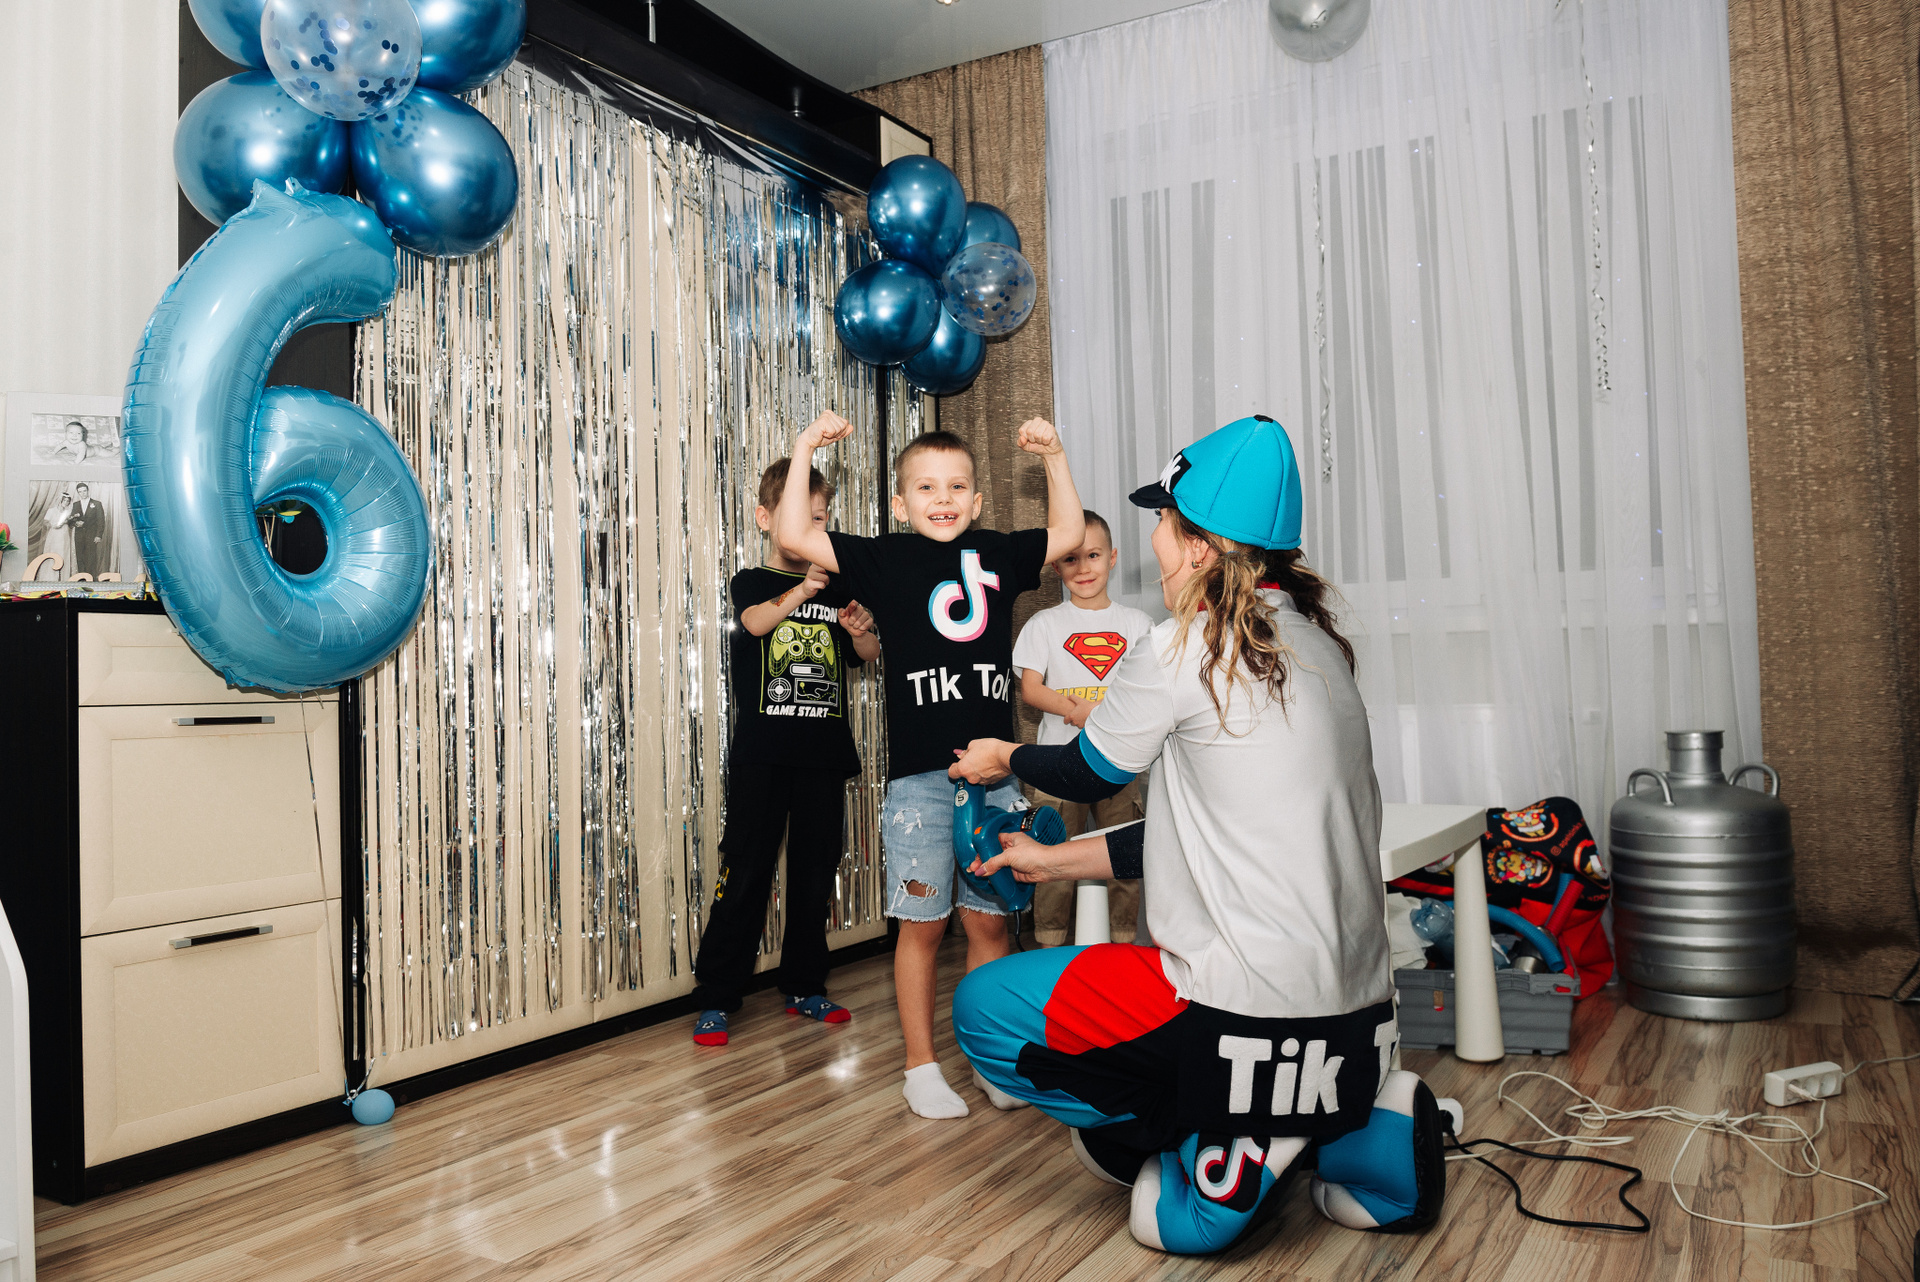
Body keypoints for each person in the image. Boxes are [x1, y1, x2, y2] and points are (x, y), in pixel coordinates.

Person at [946, 416, 1444, 1256]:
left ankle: (1236, 1136)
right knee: (1120, 1121)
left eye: (1164, 521)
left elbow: (1087, 773)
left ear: (1201, 546)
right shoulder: (1323, 650)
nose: (1154, 539)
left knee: (984, 1010)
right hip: (1357, 1024)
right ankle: (1355, 1126)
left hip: (1243, 1022)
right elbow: (1201, 832)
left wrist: (1005, 754)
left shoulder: (1182, 647)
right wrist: (1050, 860)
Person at [775, 411, 1084, 1120]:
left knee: (990, 926)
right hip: (921, 783)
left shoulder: (998, 552)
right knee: (922, 926)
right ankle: (920, 1066)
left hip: (997, 779)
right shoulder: (884, 558)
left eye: (956, 487)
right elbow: (794, 535)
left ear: (976, 501)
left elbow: (1067, 534)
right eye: (925, 487)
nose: (942, 499)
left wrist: (1055, 457)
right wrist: (804, 447)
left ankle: (991, 1062)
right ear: (899, 503)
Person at [689, 459, 880, 1047]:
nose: (811, 529)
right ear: (766, 518)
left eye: (820, 520)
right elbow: (754, 623)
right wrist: (802, 590)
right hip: (763, 755)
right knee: (745, 870)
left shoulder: (838, 586)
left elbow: (867, 655)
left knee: (814, 875)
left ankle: (804, 984)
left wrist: (860, 631)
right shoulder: (753, 579)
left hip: (823, 754)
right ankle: (716, 996)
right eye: (800, 517)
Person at [1010, 510, 1153, 944]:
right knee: (1051, 857)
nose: (1083, 568)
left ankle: (1123, 946)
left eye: (1093, 555)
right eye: (1071, 559)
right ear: (1056, 567)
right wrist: (1082, 713)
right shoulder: (1044, 624)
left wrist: (1104, 719)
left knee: (1124, 859)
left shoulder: (1138, 624)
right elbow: (1031, 689)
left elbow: (1148, 692)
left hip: (1119, 762)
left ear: (1112, 557)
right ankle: (1049, 945)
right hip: (1058, 763)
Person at [66, 483, 110, 579]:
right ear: (78, 493)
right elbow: (70, 521)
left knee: (91, 558)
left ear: (88, 491)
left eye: (84, 491)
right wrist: (76, 523)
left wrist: (98, 535)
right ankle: (82, 580)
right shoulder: (75, 504)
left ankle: (91, 580)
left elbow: (101, 521)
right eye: (80, 492)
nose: (83, 494)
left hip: (92, 535)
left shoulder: (97, 504)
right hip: (79, 536)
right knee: (80, 558)